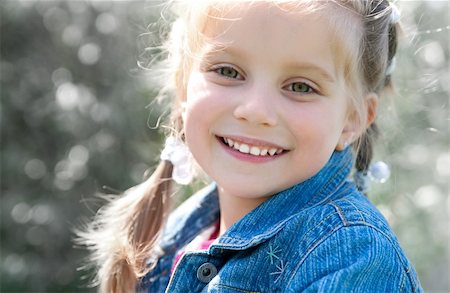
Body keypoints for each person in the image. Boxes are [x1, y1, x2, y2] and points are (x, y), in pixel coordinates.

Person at [77, 0, 423, 292]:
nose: (255, 111)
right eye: (228, 71)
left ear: (353, 119)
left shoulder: (353, 254)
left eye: (301, 87)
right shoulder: (176, 234)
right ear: (183, 86)